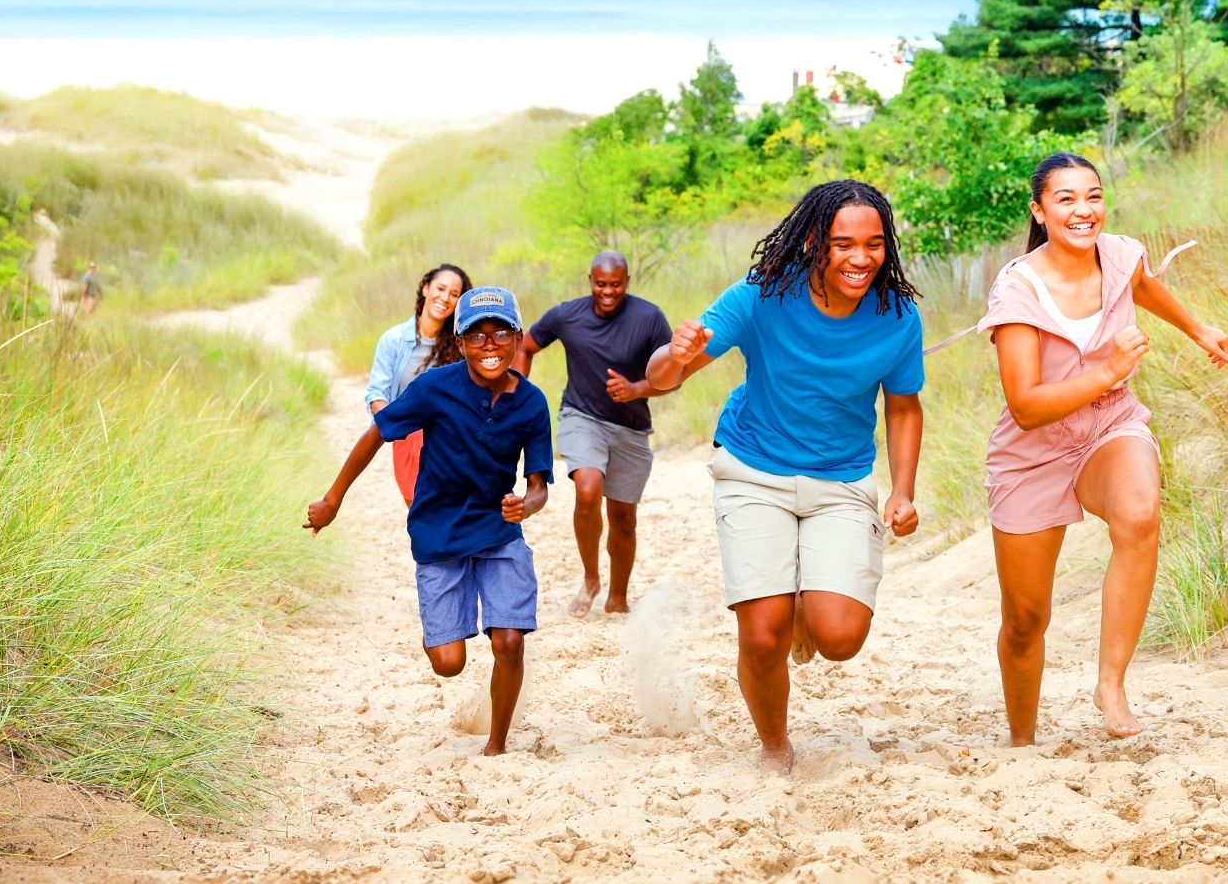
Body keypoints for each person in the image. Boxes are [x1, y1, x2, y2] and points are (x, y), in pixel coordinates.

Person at [645, 179, 925, 772]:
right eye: (843, 244)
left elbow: (903, 407)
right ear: (813, 241)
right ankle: (775, 746)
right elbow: (664, 380)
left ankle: (803, 601)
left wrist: (903, 490)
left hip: (841, 481)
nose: (860, 258)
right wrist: (675, 353)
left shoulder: (897, 317)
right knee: (764, 634)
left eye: (874, 244)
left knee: (840, 637)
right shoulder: (761, 295)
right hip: (753, 471)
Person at [976, 152, 1228, 745]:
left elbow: (1142, 284)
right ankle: (1022, 739)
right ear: (1039, 211)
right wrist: (1109, 369)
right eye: (1065, 199)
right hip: (1032, 451)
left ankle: (1110, 683)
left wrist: (1198, 329)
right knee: (1025, 619)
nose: (1083, 210)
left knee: (1139, 513)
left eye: (1093, 196)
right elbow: (1026, 405)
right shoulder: (1018, 289)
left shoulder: (1119, 254)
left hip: (1108, 424)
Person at [306, 285, 552, 757]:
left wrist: (527, 504)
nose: (490, 345)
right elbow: (377, 433)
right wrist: (333, 499)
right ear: (460, 343)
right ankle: (439, 633)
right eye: (476, 336)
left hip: (499, 532)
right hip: (439, 531)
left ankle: (497, 745)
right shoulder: (435, 388)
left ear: (519, 339)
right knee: (448, 663)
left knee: (509, 641)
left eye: (501, 333)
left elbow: (539, 482)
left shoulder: (531, 402)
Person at [514, 251, 675, 618]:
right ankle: (590, 579)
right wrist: (515, 394)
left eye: (615, 284)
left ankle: (618, 596)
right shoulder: (566, 315)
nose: (608, 291)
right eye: (601, 284)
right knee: (587, 489)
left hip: (631, 429)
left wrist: (637, 389)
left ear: (627, 282)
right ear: (590, 281)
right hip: (580, 417)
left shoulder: (649, 318)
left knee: (623, 519)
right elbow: (526, 345)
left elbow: (673, 377)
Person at [367, 264, 471, 506]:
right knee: (420, 513)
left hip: (451, 441)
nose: (445, 298)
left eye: (454, 294)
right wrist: (395, 424)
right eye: (440, 289)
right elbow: (376, 394)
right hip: (406, 439)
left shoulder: (462, 346)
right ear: (425, 288)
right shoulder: (393, 340)